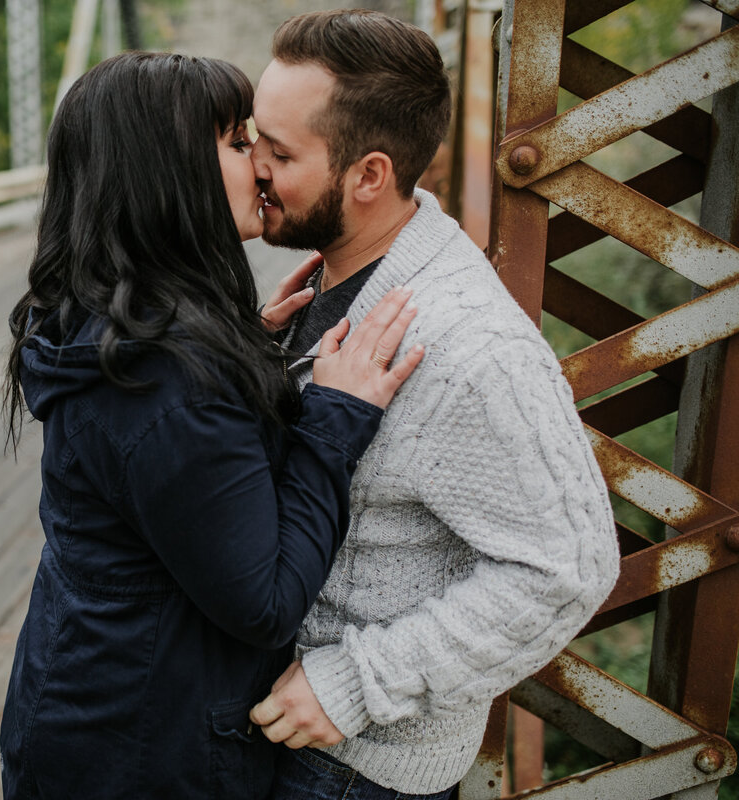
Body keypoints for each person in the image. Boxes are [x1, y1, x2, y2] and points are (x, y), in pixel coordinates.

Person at [0, 51, 426, 800]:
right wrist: (337, 418)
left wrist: (243, 349)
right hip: (140, 754)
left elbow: (164, 456)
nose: (261, 163)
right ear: (166, 174)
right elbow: (264, 602)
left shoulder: (114, 320)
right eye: (236, 142)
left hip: (90, 709)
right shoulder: (169, 382)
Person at [244, 10, 620, 800]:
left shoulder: (470, 348)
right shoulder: (334, 276)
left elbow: (570, 570)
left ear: (369, 176)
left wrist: (354, 684)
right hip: (280, 736)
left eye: (279, 153)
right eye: (253, 140)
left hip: (348, 769)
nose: (253, 169)